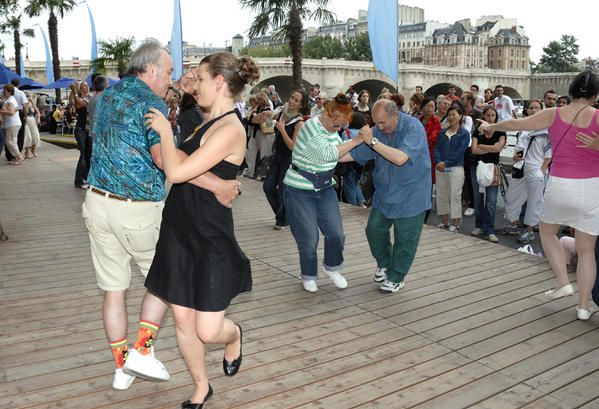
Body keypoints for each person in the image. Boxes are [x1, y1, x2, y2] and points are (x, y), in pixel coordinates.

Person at [83, 40, 241, 392]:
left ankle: (122, 368)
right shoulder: (150, 102)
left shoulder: (107, 94)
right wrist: (217, 185)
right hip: (136, 210)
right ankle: (141, 351)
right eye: (169, 72)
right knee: (166, 281)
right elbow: (165, 161)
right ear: (151, 69)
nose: (172, 79)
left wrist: (182, 92)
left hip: (96, 203)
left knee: (113, 291)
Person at [142, 52, 258, 407]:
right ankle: (200, 386)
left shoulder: (230, 129)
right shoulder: (205, 120)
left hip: (209, 236)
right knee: (182, 319)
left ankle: (234, 334)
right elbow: (180, 165)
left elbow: (176, 172)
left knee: (207, 330)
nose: (197, 86)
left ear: (220, 83)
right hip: (178, 228)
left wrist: (163, 130)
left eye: (203, 79)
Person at [479, 70, 599, 321]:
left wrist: (491, 125)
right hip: (591, 188)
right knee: (587, 251)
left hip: (560, 184)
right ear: (596, 95)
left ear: (573, 90)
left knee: (546, 232)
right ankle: (583, 307)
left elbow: (515, 124)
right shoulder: (597, 117)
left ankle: (563, 282)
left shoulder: (553, 113)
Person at [342, 99, 431, 293]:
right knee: (374, 229)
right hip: (385, 193)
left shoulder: (413, 127)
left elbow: (400, 158)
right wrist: (326, 155)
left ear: (395, 115)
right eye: (376, 123)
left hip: (411, 195)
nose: (379, 127)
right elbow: (354, 155)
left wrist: (372, 140)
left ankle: (397, 276)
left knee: (405, 240)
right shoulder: (378, 131)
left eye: (382, 122)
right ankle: (384, 263)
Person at [283, 93, 365, 293]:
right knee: (309, 238)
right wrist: (358, 140)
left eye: (342, 126)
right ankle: (309, 275)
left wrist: (368, 147)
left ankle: (333, 268)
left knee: (336, 234)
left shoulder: (332, 130)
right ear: (327, 114)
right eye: (337, 125)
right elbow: (328, 155)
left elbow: (338, 156)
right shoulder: (310, 126)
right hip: (299, 189)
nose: (338, 129)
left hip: (325, 187)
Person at [500, 99, 552, 244]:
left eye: (537, 108)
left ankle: (529, 230)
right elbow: (518, 150)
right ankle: (512, 223)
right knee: (512, 196)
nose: (534, 110)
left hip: (536, 169)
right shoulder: (523, 130)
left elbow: (549, 157)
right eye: (531, 108)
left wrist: (541, 172)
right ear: (527, 110)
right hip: (521, 167)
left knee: (534, 201)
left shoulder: (546, 132)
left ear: (541, 110)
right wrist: (514, 157)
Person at [264, 90, 308, 229]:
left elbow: (292, 146)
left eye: (296, 100)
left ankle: (282, 219)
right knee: (268, 187)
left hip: (289, 159)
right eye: (292, 97)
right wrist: (267, 117)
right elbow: (269, 127)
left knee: (283, 190)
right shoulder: (283, 113)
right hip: (277, 156)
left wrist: (282, 129)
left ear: (301, 105)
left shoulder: (299, 122)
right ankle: (284, 215)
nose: (292, 101)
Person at [470, 106, 506, 243]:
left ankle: (490, 229)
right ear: (483, 116)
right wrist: (491, 149)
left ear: (496, 117)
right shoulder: (477, 131)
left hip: (493, 169)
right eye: (488, 115)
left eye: (493, 115)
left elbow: (498, 148)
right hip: (477, 168)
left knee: (491, 201)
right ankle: (479, 226)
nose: (490, 118)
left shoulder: (500, 131)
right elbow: (474, 149)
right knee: (478, 198)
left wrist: (483, 147)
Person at [434, 105, 471, 232]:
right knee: (441, 195)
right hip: (441, 168)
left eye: (454, 114)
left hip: (456, 168)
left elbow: (460, 152)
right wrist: (439, 162)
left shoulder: (464, 133)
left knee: (455, 195)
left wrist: (446, 163)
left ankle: (455, 223)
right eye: (449, 115)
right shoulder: (442, 132)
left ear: (460, 116)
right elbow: (436, 148)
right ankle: (444, 221)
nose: (451, 117)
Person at [70, 81, 92, 188]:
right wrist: (73, 91)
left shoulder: (89, 97)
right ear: (80, 88)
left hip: (87, 130)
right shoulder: (78, 97)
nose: (87, 87)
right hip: (81, 130)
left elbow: (80, 103)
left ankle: (85, 178)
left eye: (87, 85)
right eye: (84, 86)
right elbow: (77, 104)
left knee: (88, 154)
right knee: (83, 154)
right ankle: (78, 180)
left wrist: (74, 92)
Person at [0, 84, 24, 165]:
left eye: (5, 91)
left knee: (10, 141)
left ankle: (19, 157)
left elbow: (11, 112)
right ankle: (17, 157)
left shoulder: (10, 100)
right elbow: (15, 108)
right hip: (13, 124)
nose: (3, 92)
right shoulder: (9, 99)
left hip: (13, 124)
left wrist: (1, 111)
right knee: (12, 141)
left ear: (9, 92)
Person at [22, 93, 41, 158]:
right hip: (26, 121)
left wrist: (38, 118)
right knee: (28, 137)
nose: (28, 97)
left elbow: (38, 112)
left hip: (33, 121)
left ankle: (33, 150)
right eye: (26, 96)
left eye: (28, 96)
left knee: (35, 137)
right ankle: (26, 152)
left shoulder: (33, 104)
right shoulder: (23, 104)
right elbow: (23, 113)